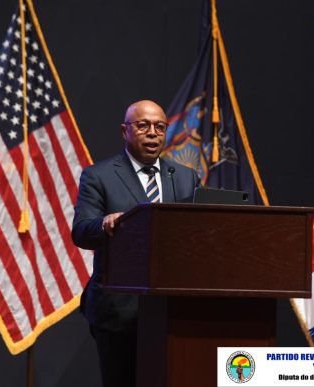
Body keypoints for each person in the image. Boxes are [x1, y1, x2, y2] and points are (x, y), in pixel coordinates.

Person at [72, 100, 200, 387]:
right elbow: (81, 230)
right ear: (124, 131)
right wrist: (105, 223)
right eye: (143, 126)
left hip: (172, 312)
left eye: (159, 127)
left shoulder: (185, 177)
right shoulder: (99, 175)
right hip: (118, 311)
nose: (152, 133)